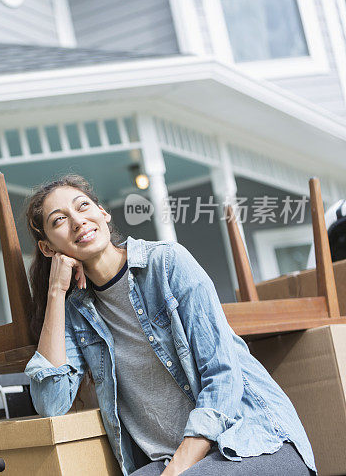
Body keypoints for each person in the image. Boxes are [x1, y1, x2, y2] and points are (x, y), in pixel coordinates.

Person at [23, 174, 316, 476]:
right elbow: (51, 403)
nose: (77, 221)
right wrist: (56, 292)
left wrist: (177, 469)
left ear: (103, 213)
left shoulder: (167, 263)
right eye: (59, 220)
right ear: (47, 248)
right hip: (173, 460)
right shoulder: (77, 311)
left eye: (83, 206)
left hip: (251, 440)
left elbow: (223, 374)